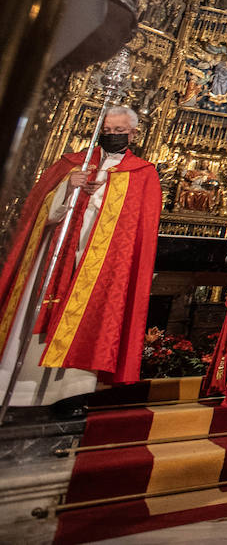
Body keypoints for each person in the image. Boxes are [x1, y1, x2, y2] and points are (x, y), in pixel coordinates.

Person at [0, 107, 161, 406]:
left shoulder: (143, 173)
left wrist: (105, 194)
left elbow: (139, 228)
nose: (112, 136)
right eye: (108, 131)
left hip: (101, 264)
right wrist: (67, 187)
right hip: (55, 255)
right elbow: (36, 212)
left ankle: (69, 395)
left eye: (119, 132)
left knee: (88, 320)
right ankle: (19, 391)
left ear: (134, 134)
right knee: (35, 316)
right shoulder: (72, 163)